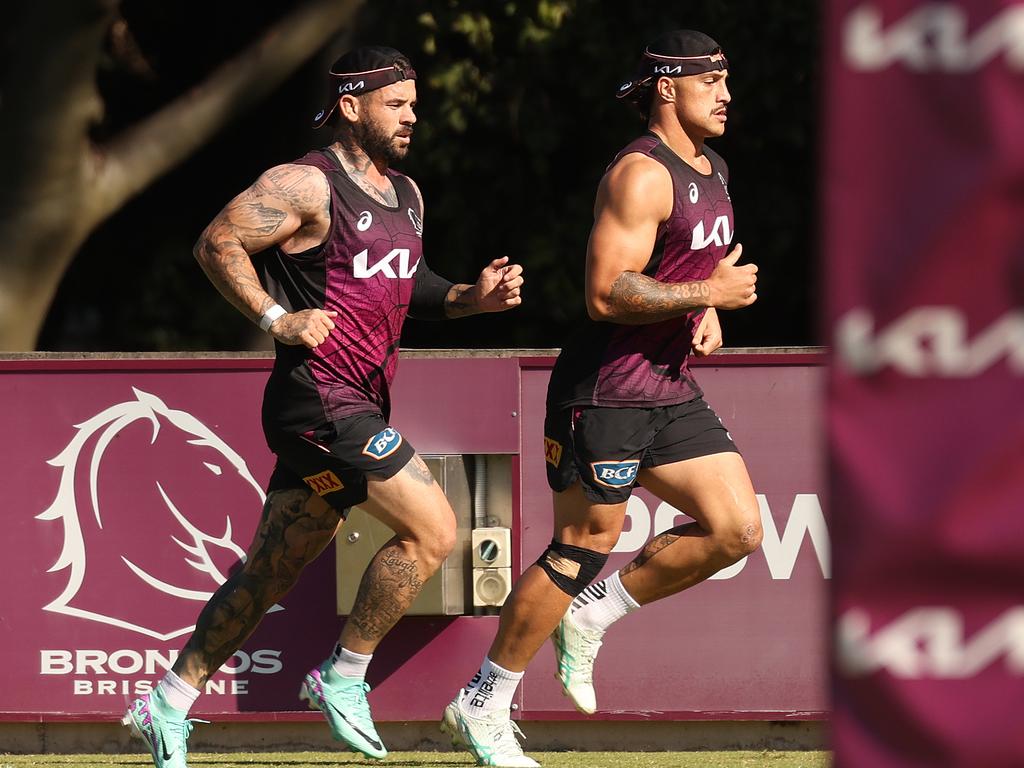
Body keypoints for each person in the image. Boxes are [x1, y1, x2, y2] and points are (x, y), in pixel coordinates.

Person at [121, 45, 524, 768]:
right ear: (350, 105)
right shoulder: (305, 185)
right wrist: (280, 319)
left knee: (270, 569)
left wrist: (472, 298)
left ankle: (167, 701)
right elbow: (218, 244)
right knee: (435, 528)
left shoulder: (407, 195)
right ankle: (342, 676)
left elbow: (415, 285)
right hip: (316, 399)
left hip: (358, 401)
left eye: (413, 103)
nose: (412, 115)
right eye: (395, 103)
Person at [442, 30, 761, 767]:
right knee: (581, 548)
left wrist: (701, 308)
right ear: (666, 88)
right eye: (711, 81)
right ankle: (483, 701)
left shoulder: (712, 168)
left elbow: (681, 266)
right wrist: (710, 290)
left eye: (726, 80)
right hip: (606, 394)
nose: (726, 94)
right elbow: (605, 292)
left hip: (669, 388)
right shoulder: (640, 174)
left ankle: (595, 616)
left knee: (738, 528)